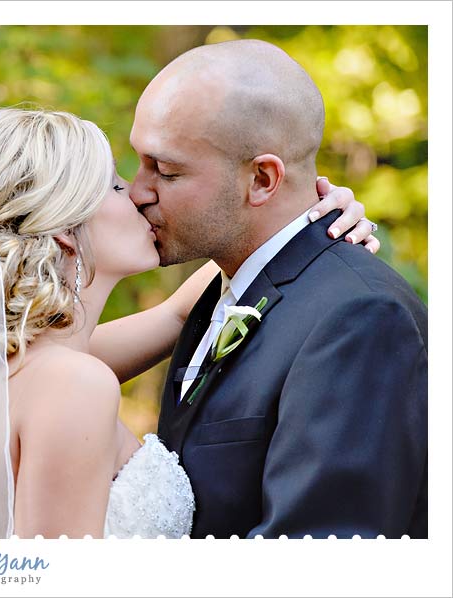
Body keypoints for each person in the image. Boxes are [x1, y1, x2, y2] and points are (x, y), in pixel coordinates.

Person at [0, 107, 377, 539]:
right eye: (117, 185)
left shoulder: (11, 371)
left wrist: (302, 212)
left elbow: (179, 312)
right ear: (67, 228)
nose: (143, 195)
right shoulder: (72, 383)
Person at [124, 39, 428, 538]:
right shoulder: (224, 289)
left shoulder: (359, 317)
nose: (138, 192)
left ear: (263, 179)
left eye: (167, 170)